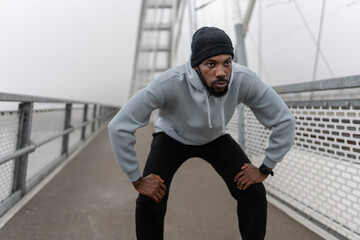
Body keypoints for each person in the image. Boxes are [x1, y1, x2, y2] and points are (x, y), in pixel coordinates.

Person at [108, 26, 296, 240]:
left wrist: (265, 167)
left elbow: (285, 121)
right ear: (195, 65)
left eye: (227, 63)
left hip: (215, 137)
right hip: (172, 137)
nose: (221, 72)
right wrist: (137, 179)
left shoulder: (243, 79)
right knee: (150, 198)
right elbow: (118, 126)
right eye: (211, 64)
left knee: (253, 192)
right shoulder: (170, 82)